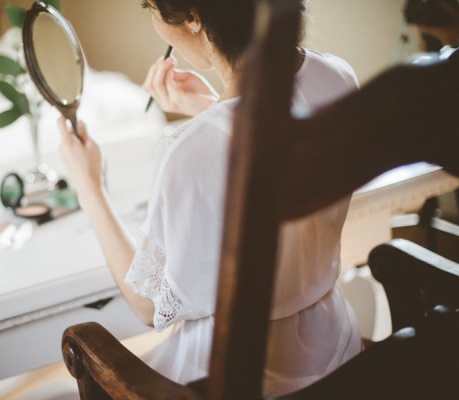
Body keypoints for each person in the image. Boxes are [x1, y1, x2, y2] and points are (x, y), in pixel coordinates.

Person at [58, 0, 362, 396]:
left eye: (150, 6)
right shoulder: (338, 74)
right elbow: (282, 139)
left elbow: (149, 307)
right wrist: (210, 109)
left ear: (193, 17)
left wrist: (90, 188)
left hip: (235, 378)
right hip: (336, 352)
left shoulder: (187, 154)